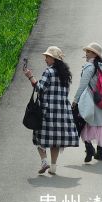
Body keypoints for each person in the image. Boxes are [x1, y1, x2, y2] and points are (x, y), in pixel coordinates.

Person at [23, 46, 79, 175]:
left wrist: (30, 77)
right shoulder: (65, 75)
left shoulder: (48, 72)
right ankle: (53, 166)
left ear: (53, 59)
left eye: (47, 57)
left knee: (38, 136)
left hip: (47, 112)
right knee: (56, 140)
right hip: (62, 112)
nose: (45, 59)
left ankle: (44, 161)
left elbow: (40, 88)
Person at [73, 42, 102, 163]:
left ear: (94, 54)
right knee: (100, 126)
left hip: (91, 100)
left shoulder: (89, 67)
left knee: (84, 123)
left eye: (88, 51)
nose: (86, 54)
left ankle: (89, 148)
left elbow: (82, 85)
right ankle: (100, 152)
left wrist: (75, 100)